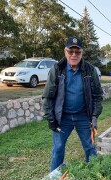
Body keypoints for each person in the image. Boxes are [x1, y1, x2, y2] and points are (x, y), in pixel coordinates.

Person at [42, 37, 103, 172]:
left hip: (83, 117)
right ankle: (54, 178)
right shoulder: (57, 69)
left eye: (77, 52)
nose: (74, 55)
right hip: (62, 118)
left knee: (90, 146)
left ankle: (95, 174)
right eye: (71, 51)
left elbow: (98, 96)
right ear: (65, 52)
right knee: (58, 147)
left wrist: (94, 116)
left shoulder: (90, 70)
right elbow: (47, 96)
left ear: (82, 53)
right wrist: (51, 119)